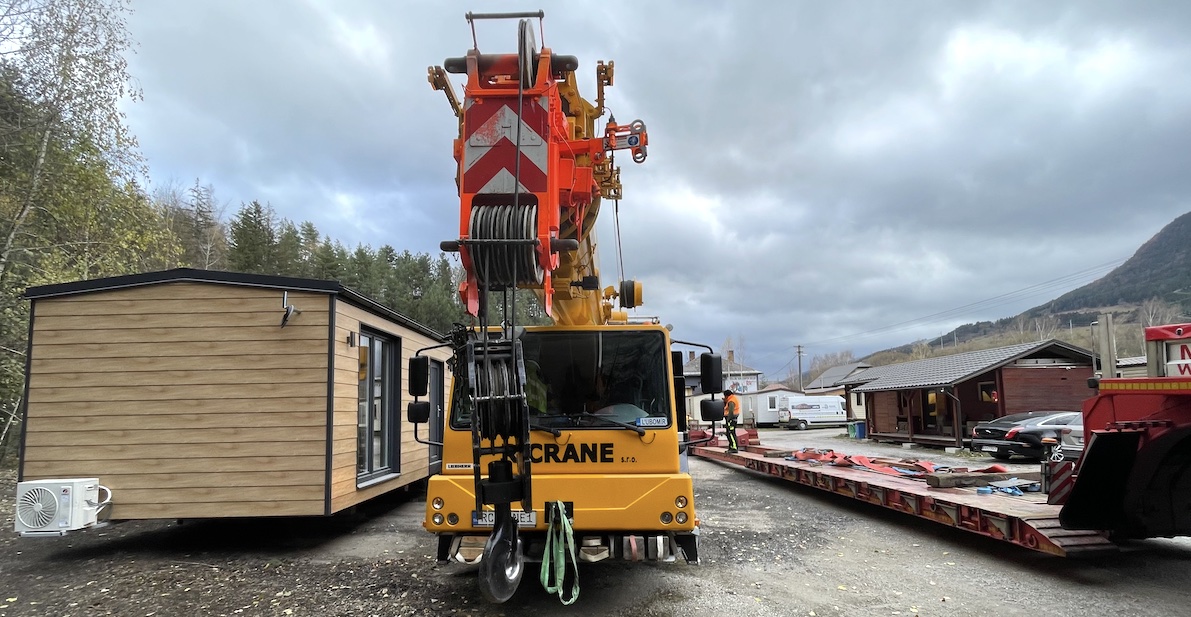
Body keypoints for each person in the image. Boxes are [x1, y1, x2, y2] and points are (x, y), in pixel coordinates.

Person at [723, 388, 741, 453]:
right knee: (729, 433)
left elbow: (731, 411)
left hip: (731, 419)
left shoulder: (731, 401)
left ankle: (734, 448)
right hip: (732, 419)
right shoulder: (732, 398)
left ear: (726, 395)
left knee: (731, 433)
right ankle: (731, 447)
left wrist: (728, 420)